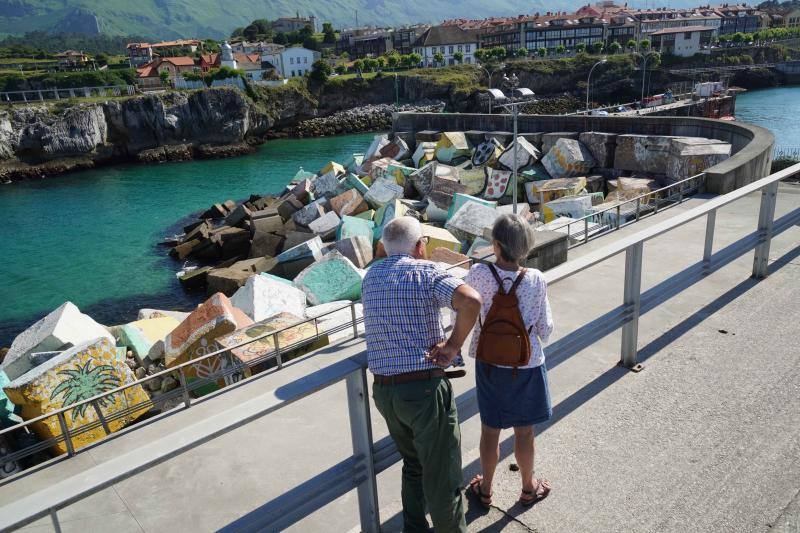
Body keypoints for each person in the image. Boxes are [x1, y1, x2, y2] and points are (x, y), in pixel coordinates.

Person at [362, 216, 482, 533]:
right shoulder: (425, 271)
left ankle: (414, 528)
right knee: (442, 473)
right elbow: (471, 300)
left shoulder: (370, 276)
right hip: (423, 390)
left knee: (414, 464)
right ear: (420, 246)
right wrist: (453, 344)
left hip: (385, 392)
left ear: (384, 247)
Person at [464, 214, 554, 508]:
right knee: (524, 432)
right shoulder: (536, 279)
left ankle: (486, 489)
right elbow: (545, 330)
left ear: (496, 246)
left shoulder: (478, 274)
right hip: (526, 365)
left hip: (489, 364)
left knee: (490, 430)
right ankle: (528, 488)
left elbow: (461, 314)